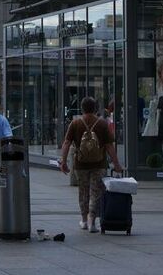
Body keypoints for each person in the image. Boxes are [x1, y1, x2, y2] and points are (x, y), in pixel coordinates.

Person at [59, 96, 124, 233]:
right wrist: (117, 164)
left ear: (82, 108)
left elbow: (66, 143)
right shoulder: (102, 124)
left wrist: (63, 161)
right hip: (99, 164)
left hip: (80, 164)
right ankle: (92, 222)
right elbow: (109, 146)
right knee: (96, 192)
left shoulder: (75, 123)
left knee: (83, 192)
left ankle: (83, 220)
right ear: (95, 108)